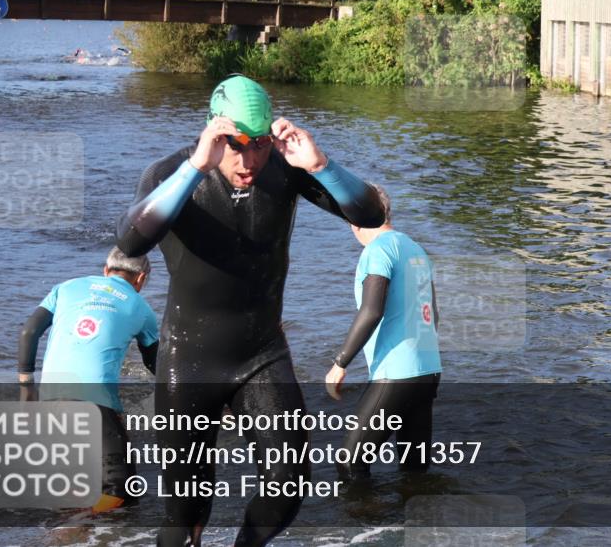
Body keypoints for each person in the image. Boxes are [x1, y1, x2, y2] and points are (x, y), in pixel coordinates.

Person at [116, 74, 384, 546]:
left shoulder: (285, 170)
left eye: (260, 145)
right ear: (214, 134)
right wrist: (197, 167)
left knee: (292, 476)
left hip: (261, 352)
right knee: (185, 514)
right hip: (189, 359)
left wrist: (320, 165)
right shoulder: (172, 173)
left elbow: (369, 215)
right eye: (236, 146)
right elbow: (132, 239)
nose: (250, 160)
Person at [17, 247, 159, 514]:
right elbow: (155, 362)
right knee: (122, 492)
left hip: (51, 398)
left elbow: (29, 332)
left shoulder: (65, 287)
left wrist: (26, 389)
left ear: (106, 270)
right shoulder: (141, 307)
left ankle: (68, 532)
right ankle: (72, 532)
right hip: (93, 400)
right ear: (140, 279)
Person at [325, 186, 442, 481]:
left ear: (355, 218)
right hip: (428, 370)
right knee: (414, 469)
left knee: (350, 462)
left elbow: (371, 311)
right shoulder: (415, 248)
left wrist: (340, 363)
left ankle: (367, 525)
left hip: (397, 374)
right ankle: (412, 521)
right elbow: (434, 315)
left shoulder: (377, 250)